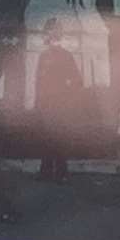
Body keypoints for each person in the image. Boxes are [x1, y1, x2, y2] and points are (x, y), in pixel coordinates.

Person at [35, 17, 80, 182]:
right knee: (47, 137)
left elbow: (76, 80)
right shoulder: (43, 56)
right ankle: (46, 171)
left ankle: (61, 173)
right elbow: (38, 82)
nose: (49, 37)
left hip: (60, 104)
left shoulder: (66, 56)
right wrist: (38, 103)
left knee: (58, 137)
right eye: (48, 33)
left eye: (53, 33)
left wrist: (67, 97)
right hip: (47, 103)